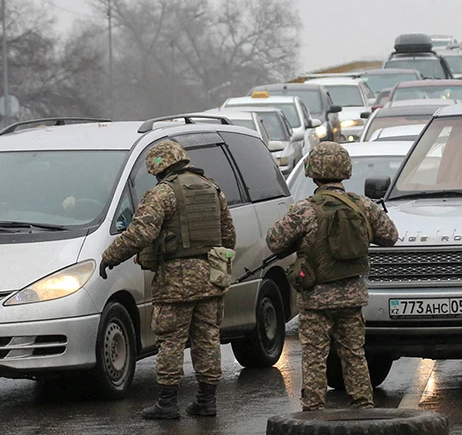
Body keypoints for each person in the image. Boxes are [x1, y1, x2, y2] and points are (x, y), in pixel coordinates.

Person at [100, 140, 236, 418]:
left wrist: (110, 257)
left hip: (176, 281)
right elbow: (229, 236)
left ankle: (167, 403)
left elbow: (140, 233)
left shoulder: (163, 193)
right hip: (211, 277)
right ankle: (207, 401)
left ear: (158, 167)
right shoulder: (212, 188)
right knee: (207, 338)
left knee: (170, 340)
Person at [266, 142, 398, 411]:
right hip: (352, 296)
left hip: (316, 298)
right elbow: (390, 236)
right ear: (345, 171)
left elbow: (275, 241)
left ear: (313, 173)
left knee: (315, 356)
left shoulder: (304, 210)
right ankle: (362, 404)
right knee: (354, 354)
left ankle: (313, 410)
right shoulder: (363, 206)